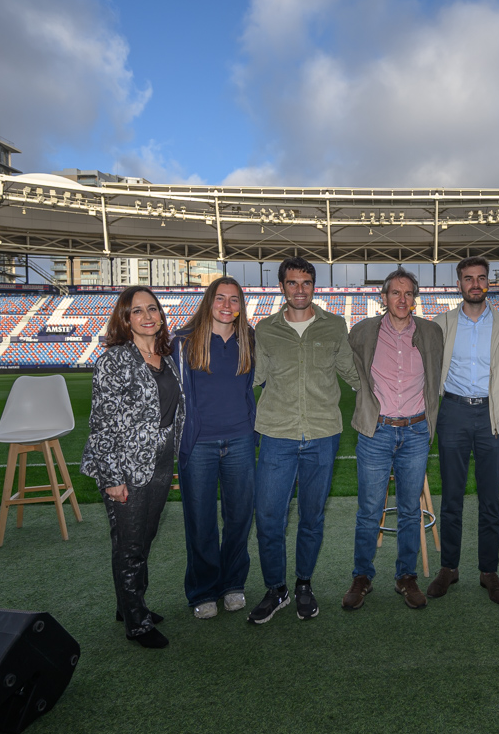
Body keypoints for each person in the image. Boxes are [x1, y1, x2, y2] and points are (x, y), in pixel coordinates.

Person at [249, 256, 361, 624]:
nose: (300, 290)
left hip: (322, 435)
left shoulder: (334, 325)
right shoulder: (265, 329)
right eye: (293, 283)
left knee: (312, 518)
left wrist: (391, 396)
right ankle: (275, 589)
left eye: (306, 283)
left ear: (314, 286)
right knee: (269, 519)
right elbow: (253, 377)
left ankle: (303, 585)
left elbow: (352, 373)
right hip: (276, 435)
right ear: (281, 287)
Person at [81, 286, 185, 649]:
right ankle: (137, 623)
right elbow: (101, 425)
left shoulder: (166, 357)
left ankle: (128, 604)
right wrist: (112, 478)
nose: (147, 316)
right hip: (124, 466)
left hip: (160, 462)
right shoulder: (113, 360)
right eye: (137, 311)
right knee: (129, 545)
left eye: (152, 308)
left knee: (143, 537)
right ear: (125, 320)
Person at [342, 268, 444, 611]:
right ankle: (362, 576)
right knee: (369, 510)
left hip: (416, 432)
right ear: (383, 297)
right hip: (377, 431)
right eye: (396, 293)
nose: (402, 299)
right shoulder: (362, 331)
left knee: (410, 510)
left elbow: (437, 375)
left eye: (408, 293)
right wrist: (363, 394)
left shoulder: (431, 332)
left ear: (415, 298)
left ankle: (406, 577)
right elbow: (348, 367)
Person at [429, 256, 499, 605]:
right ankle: (449, 567)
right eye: (468, 278)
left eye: (481, 278)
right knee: (451, 498)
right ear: (459, 284)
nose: (475, 284)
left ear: (488, 282)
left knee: (489, 500)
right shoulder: (440, 324)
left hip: (493, 415)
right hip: (453, 412)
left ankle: (488, 571)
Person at [174, 277, 256, 621]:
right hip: (199, 444)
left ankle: (233, 583)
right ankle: (203, 590)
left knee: (239, 518)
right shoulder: (183, 340)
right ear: (209, 301)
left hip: (240, 440)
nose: (226, 305)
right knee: (201, 520)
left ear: (240, 306)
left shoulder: (249, 338)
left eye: (234, 299)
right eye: (220, 298)